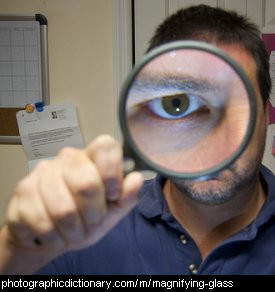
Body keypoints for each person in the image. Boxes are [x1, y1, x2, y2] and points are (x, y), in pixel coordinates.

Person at [0, 5, 274, 275]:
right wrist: (14, 251)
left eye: (238, 105)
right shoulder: (84, 225)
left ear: (265, 115)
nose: (211, 140)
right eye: (179, 104)